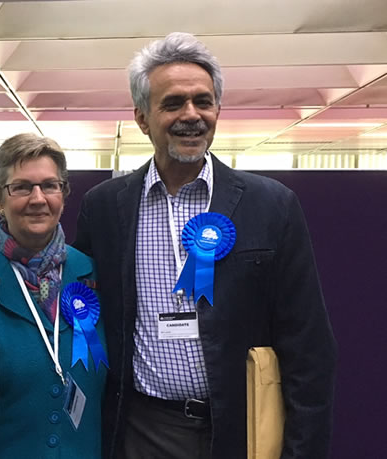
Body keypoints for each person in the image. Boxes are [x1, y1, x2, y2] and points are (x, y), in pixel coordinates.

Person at [74, 33, 337, 459]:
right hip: (142, 431)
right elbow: (85, 314)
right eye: (173, 103)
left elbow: (309, 348)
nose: (191, 115)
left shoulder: (271, 205)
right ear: (142, 118)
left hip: (241, 428)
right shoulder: (105, 207)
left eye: (203, 101)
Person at [0, 133, 108, 458]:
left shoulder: (95, 275)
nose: (38, 198)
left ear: (63, 195)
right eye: (21, 187)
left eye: (50, 185)